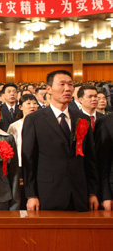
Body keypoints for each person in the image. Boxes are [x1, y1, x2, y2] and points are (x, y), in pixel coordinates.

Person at [22, 70, 99, 211]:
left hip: (79, 193)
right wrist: (31, 195)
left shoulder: (82, 118)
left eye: (70, 84)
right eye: (62, 84)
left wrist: (93, 191)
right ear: (48, 89)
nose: (67, 89)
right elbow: (29, 160)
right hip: (48, 192)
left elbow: (90, 158)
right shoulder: (34, 120)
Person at [7, 94, 38, 176]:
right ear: (20, 107)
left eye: (35, 103)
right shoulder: (14, 126)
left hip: (38, 163)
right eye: (28, 103)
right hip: (20, 164)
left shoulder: (42, 124)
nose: (32, 106)